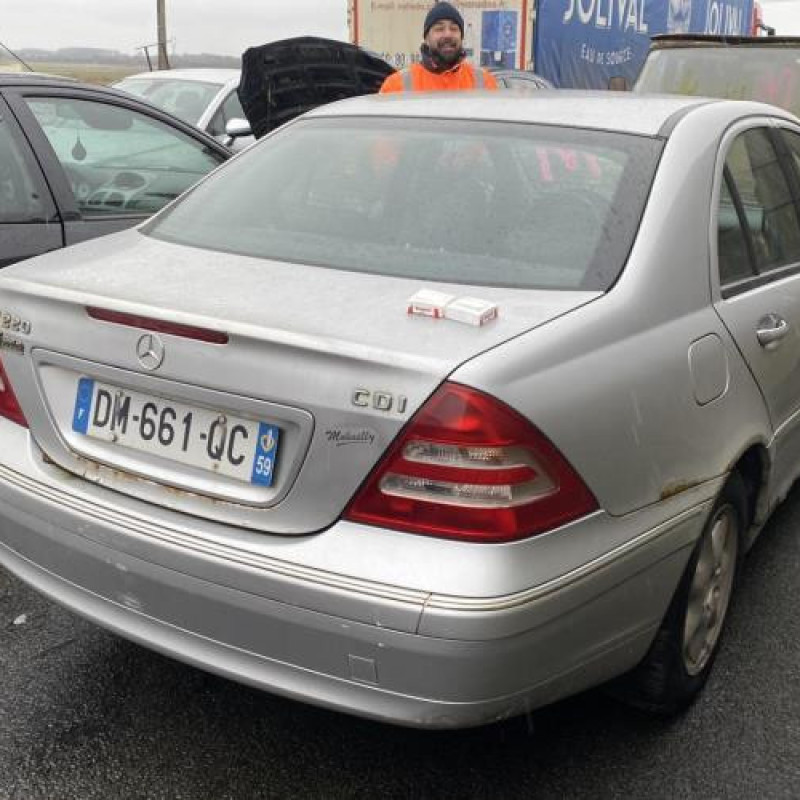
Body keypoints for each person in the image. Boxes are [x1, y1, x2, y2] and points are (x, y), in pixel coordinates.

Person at [380, 2, 498, 93]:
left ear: (462, 37)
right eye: (439, 29)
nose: (447, 34)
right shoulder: (396, 85)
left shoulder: (484, 81)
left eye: (454, 28)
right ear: (426, 38)